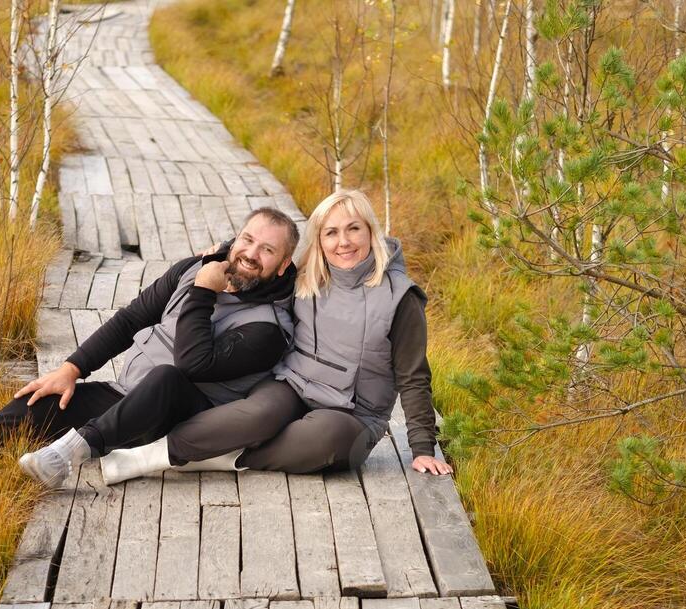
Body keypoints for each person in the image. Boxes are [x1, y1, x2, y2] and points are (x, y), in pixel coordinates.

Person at [0, 207, 299, 499]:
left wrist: (204, 293)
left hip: (181, 419)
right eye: (247, 239)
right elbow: (130, 319)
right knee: (45, 398)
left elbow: (191, 364)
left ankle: (68, 454)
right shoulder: (194, 268)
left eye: (267, 249)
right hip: (127, 396)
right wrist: (71, 367)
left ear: (282, 265)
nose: (250, 253)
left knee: (167, 376)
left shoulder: (270, 328)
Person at [97, 188, 453, 483]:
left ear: (371, 232)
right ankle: (151, 454)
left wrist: (422, 448)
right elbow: (258, 259)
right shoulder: (310, 276)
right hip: (290, 386)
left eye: (353, 229)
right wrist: (221, 252)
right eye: (331, 232)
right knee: (258, 415)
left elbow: (413, 375)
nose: (343, 242)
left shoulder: (399, 297)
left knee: (331, 440)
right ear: (320, 240)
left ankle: (205, 456)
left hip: (352, 412)